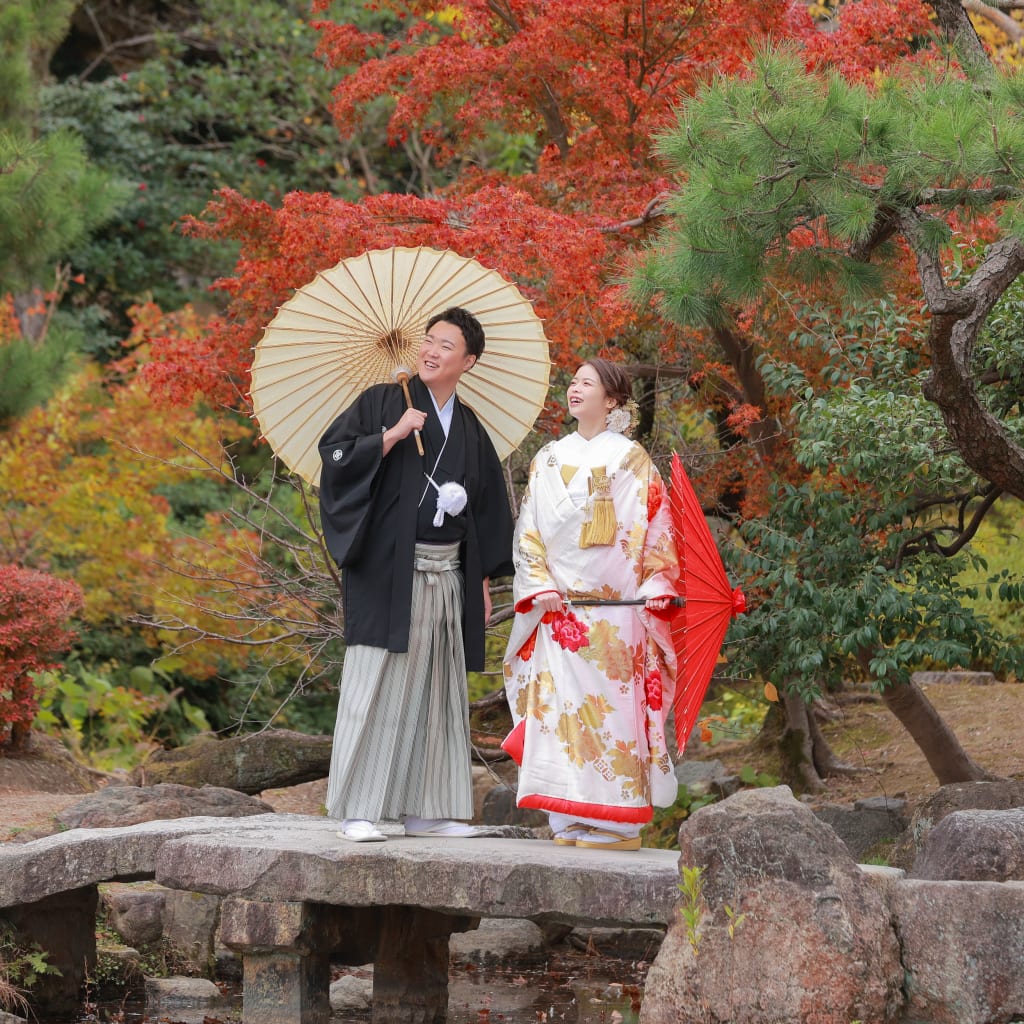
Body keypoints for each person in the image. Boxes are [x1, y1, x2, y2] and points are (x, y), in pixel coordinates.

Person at [318, 306, 514, 842]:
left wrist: (479, 581)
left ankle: (426, 809)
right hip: (389, 569)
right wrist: (389, 436)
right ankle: (357, 807)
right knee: (375, 679)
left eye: (445, 345)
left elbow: (488, 506)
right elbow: (333, 457)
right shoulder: (385, 402)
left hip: (447, 570)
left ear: (468, 361)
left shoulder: (470, 428)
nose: (430, 350)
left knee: (437, 686)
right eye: (428, 340)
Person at [501, 358, 680, 850]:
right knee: (558, 712)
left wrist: (656, 582)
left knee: (612, 714)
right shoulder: (548, 458)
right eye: (573, 381)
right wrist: (538, 584)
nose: (574, 389)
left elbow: (656, 532)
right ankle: (568, 816)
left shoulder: (631, 459)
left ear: (614, 400)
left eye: (587, 383)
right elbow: (529, 531)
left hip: (616, 615)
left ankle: (620, 823)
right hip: (558, 609)